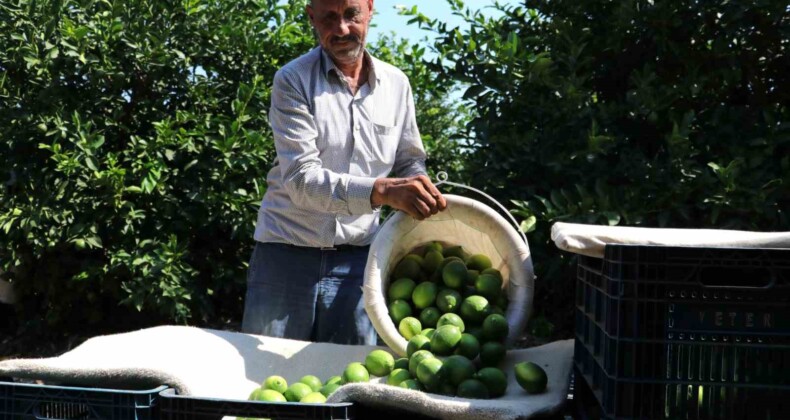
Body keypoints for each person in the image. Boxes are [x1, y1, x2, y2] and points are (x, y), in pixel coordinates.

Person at [241, 0, 447, 345]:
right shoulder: (292, 80)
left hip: (359, 261)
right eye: (328, 18)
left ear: (369, 9)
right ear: (311, 18)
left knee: (351, 380)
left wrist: (416, 181)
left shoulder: (396, 85)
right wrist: (381, 192)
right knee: (265, 382)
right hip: (285, 257)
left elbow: (408, 159)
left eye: (351, 15)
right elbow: (301, 179)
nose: (341, 30)